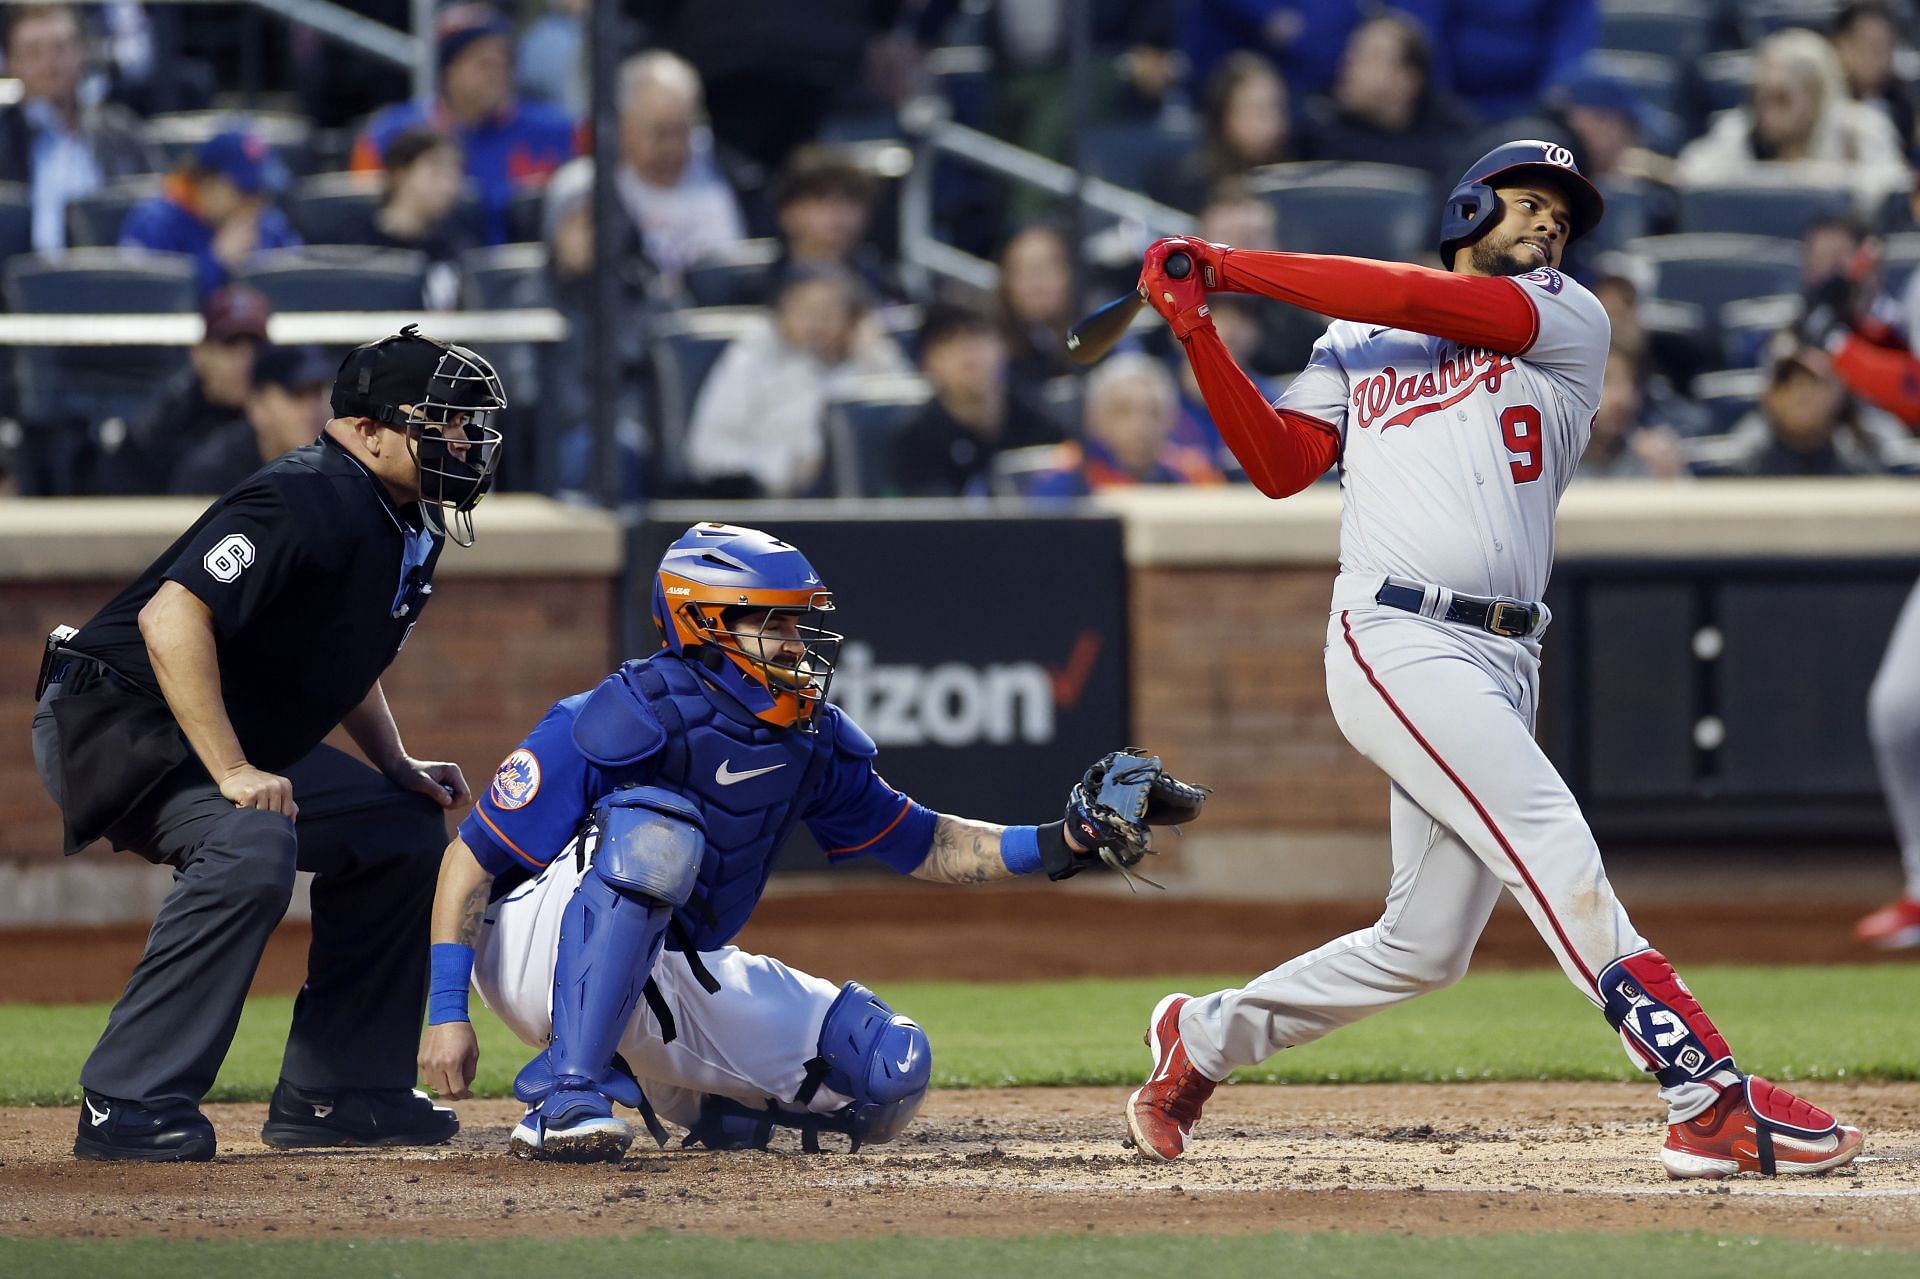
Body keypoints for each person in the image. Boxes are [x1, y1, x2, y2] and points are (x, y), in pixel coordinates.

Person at [1119, 140, 1866, 1179]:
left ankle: (1198, 1041)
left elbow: (1427, 301)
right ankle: (1706, 1094)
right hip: (1395, 632)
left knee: (1422, 946)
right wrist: (1199, 329)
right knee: (1552, 841)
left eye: (1562, 213)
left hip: (1506, 651)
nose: (1549, 224)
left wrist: (1233, 265)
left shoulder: (1567, 314)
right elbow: (1281, 465)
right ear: (1470, 207)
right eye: (1528, 204)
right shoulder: (1357, 337)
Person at [415, 521, 1206, 1160]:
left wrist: (1062, 838)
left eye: (798, 621)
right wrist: (447, 1012)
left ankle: (690, 1101)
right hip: (534, 954)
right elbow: (471, 858)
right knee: (655, 824)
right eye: (774, 622)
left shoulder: (810, 738)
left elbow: (923, 843)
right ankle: (565, 1095)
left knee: (888, 1068)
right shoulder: (620, 711)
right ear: (708, 622)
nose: (798, 642)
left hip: (667, 966)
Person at [30, 325, 508, 1162]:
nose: (461, 441)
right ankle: (128, 1101)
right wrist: (234, 770)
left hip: (204, 724)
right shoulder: (306, 493)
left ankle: (340, 1092)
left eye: (466, 424)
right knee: (251, 836)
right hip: (115, 719)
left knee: (398, 826)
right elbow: (169, 617)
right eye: (440, 422)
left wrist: (393, 761)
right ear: (366, 429)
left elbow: (342, 651)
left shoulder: (401, 515)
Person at [351, 3, 576, 245]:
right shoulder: (391, 134)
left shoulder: (559, 130)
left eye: (505, 64)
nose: (497, 75)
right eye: (483, 64)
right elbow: (368, 214)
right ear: (449, 70)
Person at [682, 266, 907, 498]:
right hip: (769, 505)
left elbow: (906, 427)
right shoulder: (752, 358)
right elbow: (706, 451)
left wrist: (877, 354)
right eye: (806, 310)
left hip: (854, 503)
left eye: (829, 312)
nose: (817, 323)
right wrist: (785, 468)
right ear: (781, 311)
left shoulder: (866, 361)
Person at [540, 50, 747, 292]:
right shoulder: (583, 189)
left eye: (682, 131)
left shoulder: (727, 171)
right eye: (660, 133)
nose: (672, 147)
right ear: (622, 128)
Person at [1675, 28, 1910, 217]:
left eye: (1782, 99)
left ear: (1816, 97)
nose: (1767, 112)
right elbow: (1691, 175)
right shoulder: (1741, 127)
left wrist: (1819, 179)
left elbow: (1893, 187)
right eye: (1760, 97)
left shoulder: (1861, 128)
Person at [0, 2, 155, 251]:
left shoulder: (122, 133)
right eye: (33, 52)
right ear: (11, 64)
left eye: (60, 49)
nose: (49, 65)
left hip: (113, 279)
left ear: (82, 52)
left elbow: (161, 218)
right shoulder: (3, 137)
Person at [97, 284, 273, 495]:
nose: (246, 362)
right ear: (199, 355)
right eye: (230, 347)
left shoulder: (287, 418)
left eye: (256, 348)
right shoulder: (159, 427)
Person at [888, 301, 1063, 496]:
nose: (967, 352)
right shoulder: (914, 442)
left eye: (979, 334)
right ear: (926, 363)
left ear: (1005, 346)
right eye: (948, 340)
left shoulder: (1042, 423)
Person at [118, 128, 302, 298]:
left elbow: (298, 286)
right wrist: (216, 260)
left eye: (263, 193)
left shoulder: (270, 223)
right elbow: (142, 299)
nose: (255, 203)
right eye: (246, 191)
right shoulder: (154, 222)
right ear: (207, 182)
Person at [1298, 12, 1479, 182]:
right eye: (1349, 52)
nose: (1348, 64)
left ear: (1408, 81)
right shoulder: (1318, 135)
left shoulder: (1456, 144)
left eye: (1368, 57)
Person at [1026, 352, 1224, 496]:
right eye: (1123, 411)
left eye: (1153, 413)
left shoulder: (1194, 475)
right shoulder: (1065, 475)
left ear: (1170, 422)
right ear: (1094, 419)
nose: (1140, 426)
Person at [169, 344, 332, 495]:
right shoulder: (211, 475)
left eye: (317, 394)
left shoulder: (344, 467)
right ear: (258, 408)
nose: (312, 411)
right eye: (297, 396)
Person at [350, 127, 477, 311]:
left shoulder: (458, 245)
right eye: (436, 172)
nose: (449, 186)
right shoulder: (353, 242)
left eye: (454, 174)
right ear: (400, 173)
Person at [1152, 52, 1294, 214]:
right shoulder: (1187, 184)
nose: (1273, 124)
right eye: (1258, 112)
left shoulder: (1294, 181)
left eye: (1278, 109)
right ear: (1223, 115)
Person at [1829, 1, 1917, 154]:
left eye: (1886, 46)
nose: (1878, 57)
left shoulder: (1903, 108)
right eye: (1869, 46)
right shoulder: (1822, 105)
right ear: (1840, 44)